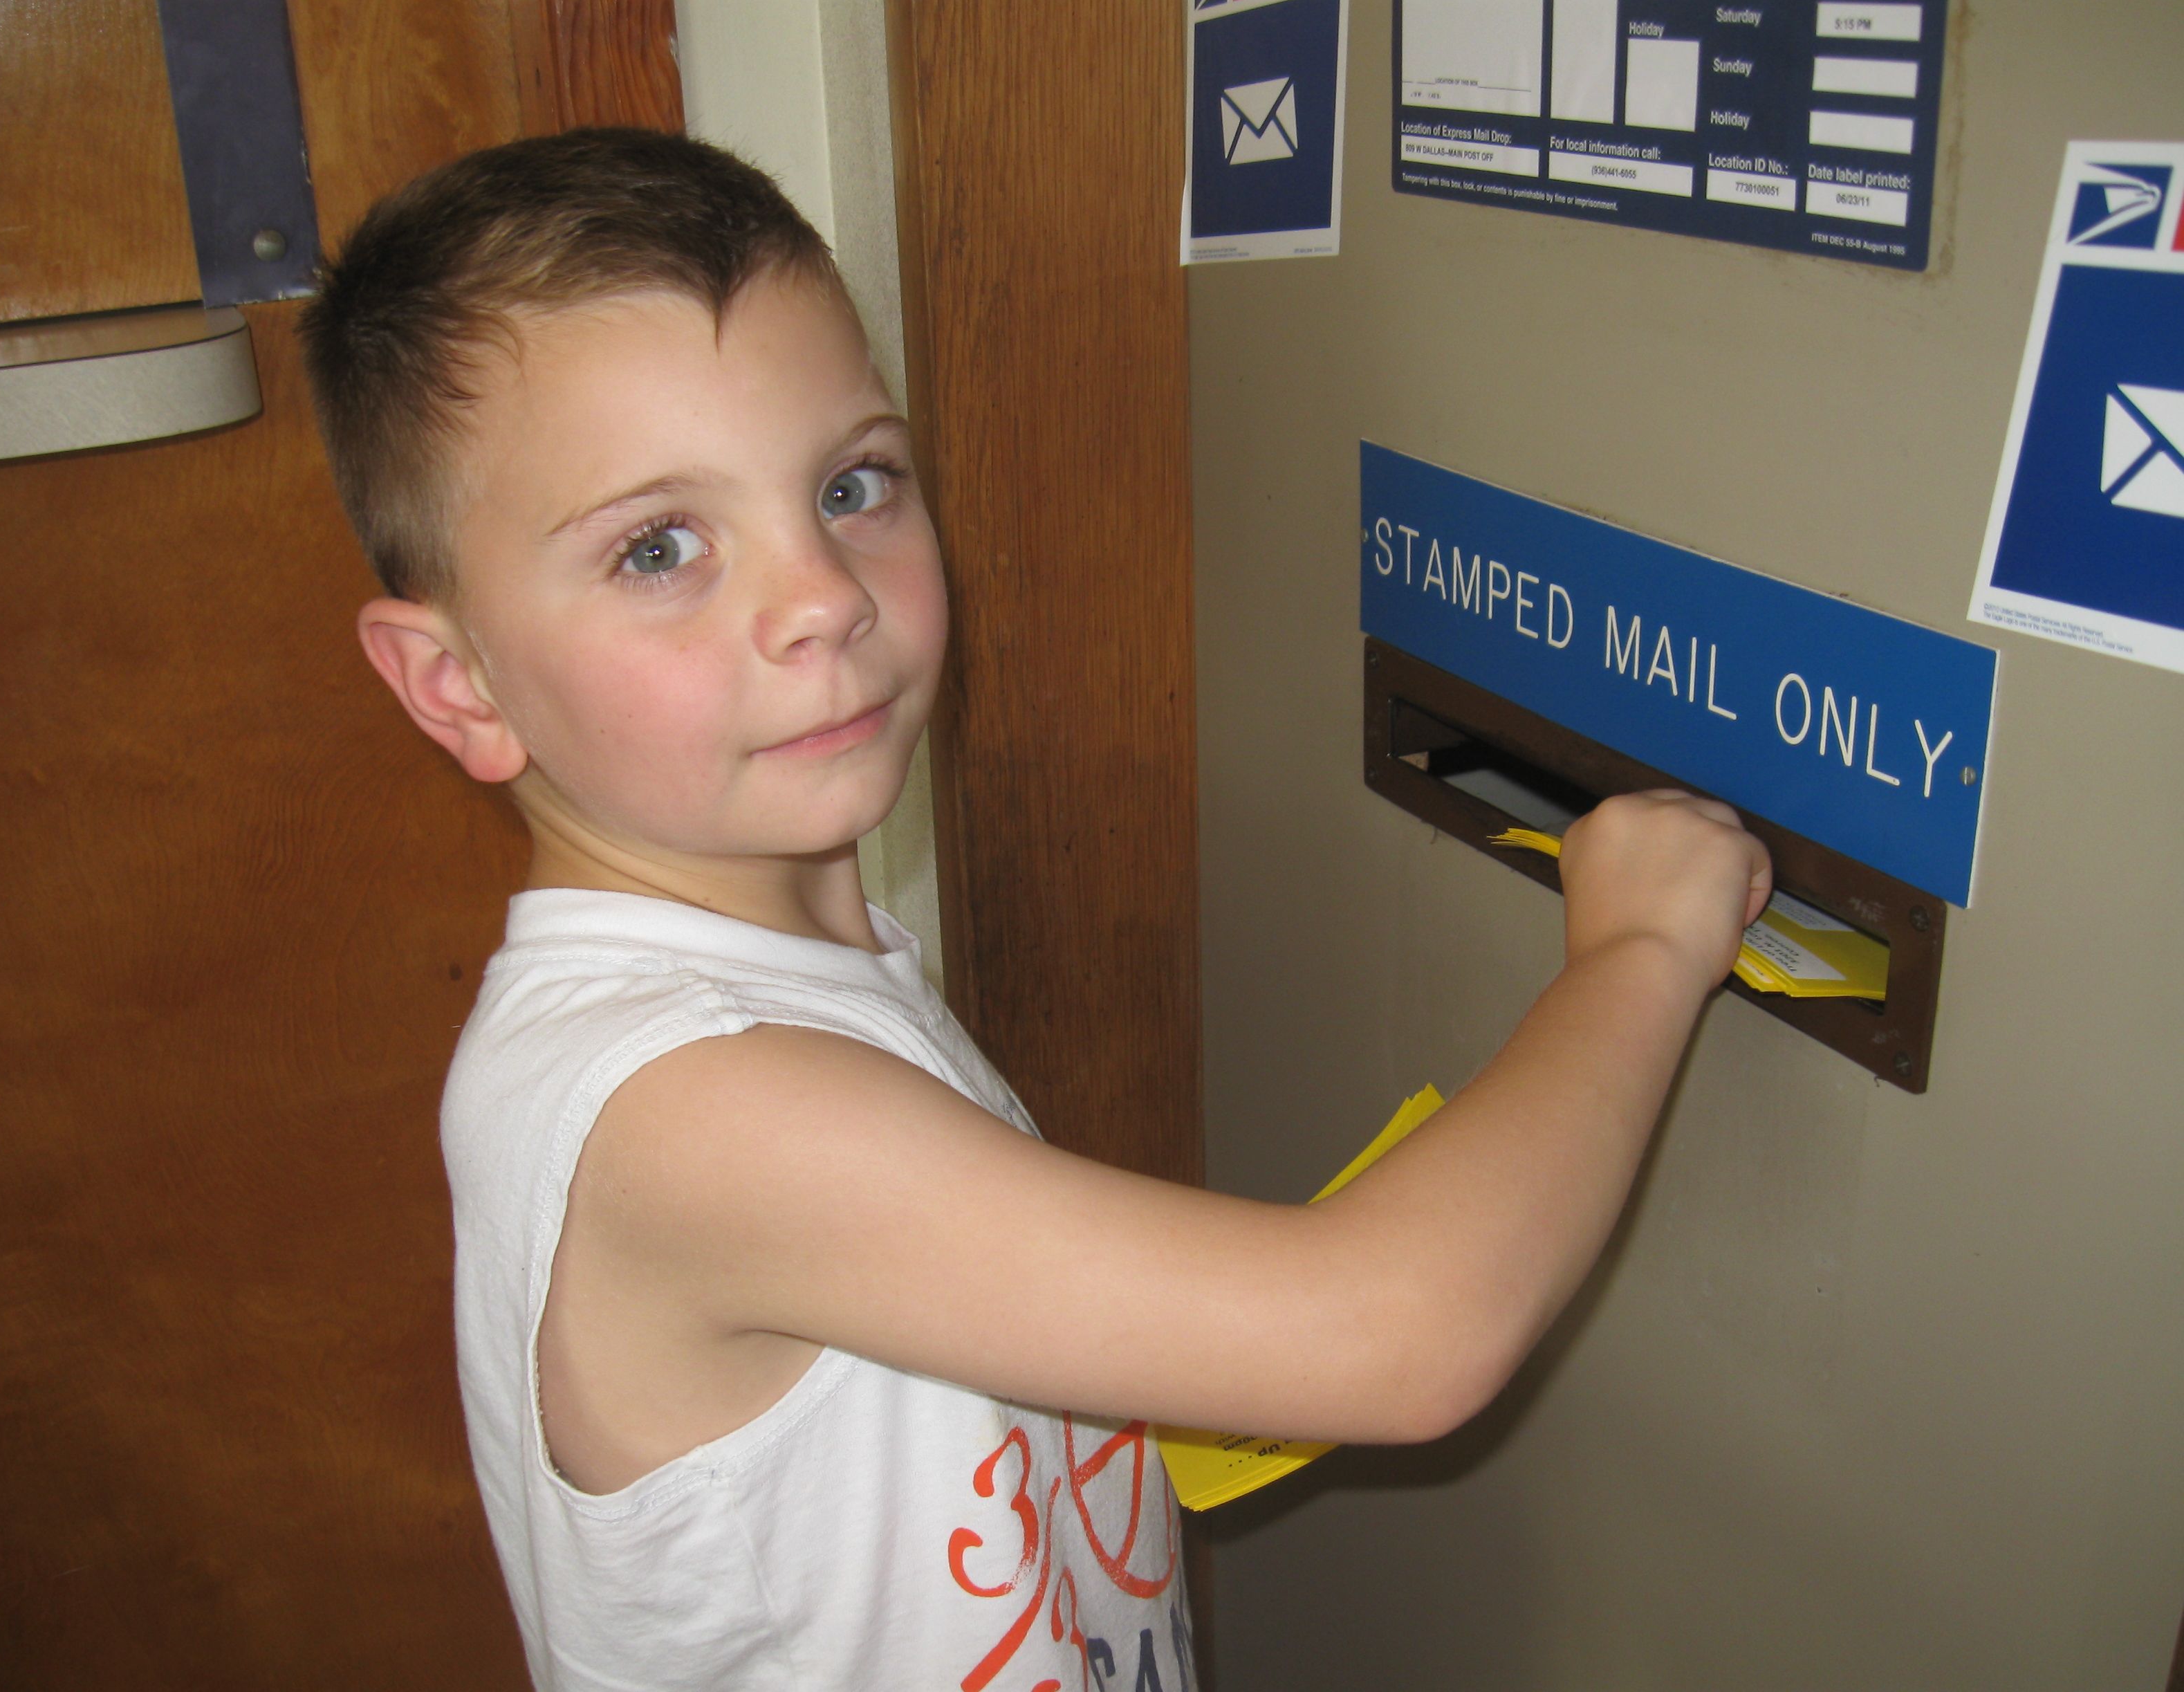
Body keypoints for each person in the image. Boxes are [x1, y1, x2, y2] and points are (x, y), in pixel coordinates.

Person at [298, 128, 1770, 1691]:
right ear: (456, 685)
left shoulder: (765, 992)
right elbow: (1400, 1336)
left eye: (852, 486)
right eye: (659, 548)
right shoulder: (690, 1108)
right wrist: (1642, 947)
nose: (824, 596)